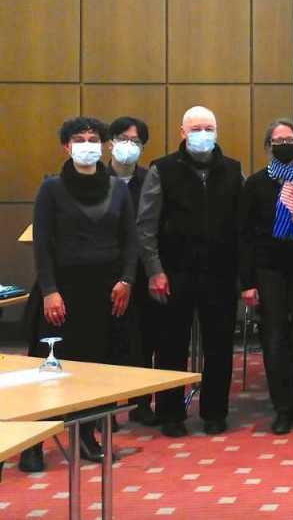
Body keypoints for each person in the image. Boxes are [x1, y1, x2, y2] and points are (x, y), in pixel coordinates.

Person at [22, 117, 138, 470]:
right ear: (66, 147)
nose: (87, 144)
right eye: (79, 139)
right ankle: (32, 444)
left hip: (107, 290)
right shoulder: (51, 189)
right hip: (61, 290)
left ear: (103, 146)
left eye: (93, 139)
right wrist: (50, 291)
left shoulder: (118, 188)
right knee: (50, 368)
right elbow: (42, 244)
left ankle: (89, 435)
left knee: (97, 368)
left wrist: (127, 280)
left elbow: (130, 240)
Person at [137, 106, 242, 438]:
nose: (202, 134)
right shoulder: (162, 169)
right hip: (174, 272)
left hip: (220, 274)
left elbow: (241, 227)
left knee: (220, 346)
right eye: (195, 128)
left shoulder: (232, 169)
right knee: (171, 345)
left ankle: (214, 412)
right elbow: (145, 226)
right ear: (182, 133)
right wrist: (154, 270)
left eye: (208, 127)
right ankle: (170, 413)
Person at [239, 119, 293, 435]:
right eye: (278, 139)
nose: (285, 143)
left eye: (290, 138)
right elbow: (243, 235)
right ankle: (282, 407)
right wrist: (247, 282)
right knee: (274, 339)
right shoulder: (256, 184)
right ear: (268, 146)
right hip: (268, 269)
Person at [106, 116, 159, 426]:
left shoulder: (149, 178)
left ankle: (142, 403)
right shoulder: (97, 178)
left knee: (145, 339)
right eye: (123, 138)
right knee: (108, 341)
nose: (129, 146)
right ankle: (107, 406)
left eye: (136, 141)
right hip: (106, 272)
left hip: (142, 270)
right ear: (111, 142)